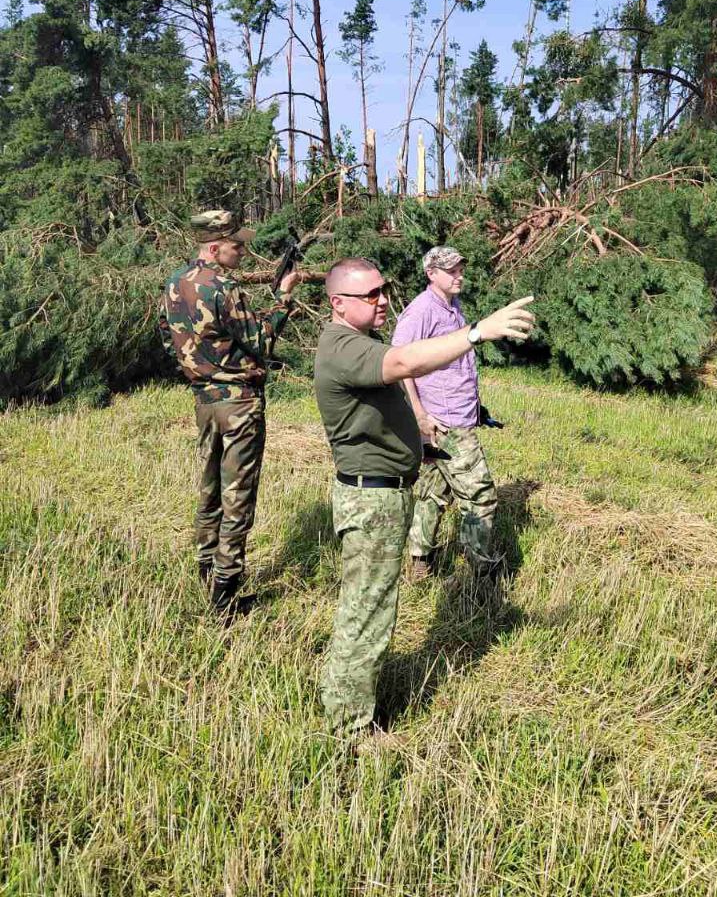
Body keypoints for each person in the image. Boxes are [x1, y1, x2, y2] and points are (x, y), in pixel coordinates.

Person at [313, 257, 534, 734]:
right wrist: (478, 332)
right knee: (366, 615)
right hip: (370, 503)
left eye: (383, 290)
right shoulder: (341, 346)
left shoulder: (355, 342)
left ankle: (345, 701)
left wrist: (420, 438)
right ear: (338, 303)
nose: (383, 300)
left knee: (371, 610)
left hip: (384, 494)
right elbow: (404, 360)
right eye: (370, 294)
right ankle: (348, 727)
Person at [160, 209, 301, 615]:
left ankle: (206, 568)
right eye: (237, 245)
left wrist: (200, 369)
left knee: (209, 487)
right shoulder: (223, 287)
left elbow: (168, 340)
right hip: (238, 402)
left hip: (204, 400)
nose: (242, 251)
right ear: (215, 246)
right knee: (238, 493)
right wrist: (284, 298)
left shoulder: (175, 283)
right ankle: (226, 592)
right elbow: (262, 340)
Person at [392, 246, 500, 581]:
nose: (459, 275)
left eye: (460, 269)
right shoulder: (420, 311)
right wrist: (420, 415)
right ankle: (480, 571)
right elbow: (400, 364)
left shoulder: (453, 306)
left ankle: (419, 560)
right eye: (451, 270)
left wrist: (476, 408)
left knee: (432, 494)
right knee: (481, 495)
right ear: (431, 273)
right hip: (444, 422)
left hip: (455, 415)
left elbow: (456, 364)